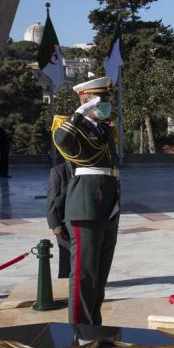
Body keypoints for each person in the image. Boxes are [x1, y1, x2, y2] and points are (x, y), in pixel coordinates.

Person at [53, 76, 120, 325]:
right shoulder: (75, 127)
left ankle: (95, 326)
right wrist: (78, 114)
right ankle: (80, 330)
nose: (107, 105)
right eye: (102, 100)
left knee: (100, 275)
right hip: (86, 207)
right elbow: (61, 140)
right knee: (84, 274)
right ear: (87, 101)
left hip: (107, 206)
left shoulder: (102, 128)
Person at [46, 160, 72, 279]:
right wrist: (55, 224)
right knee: (66, 257)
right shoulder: (58, 171)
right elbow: (52, 199)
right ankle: (64, 282)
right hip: (64, 222)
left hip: (82, 221)